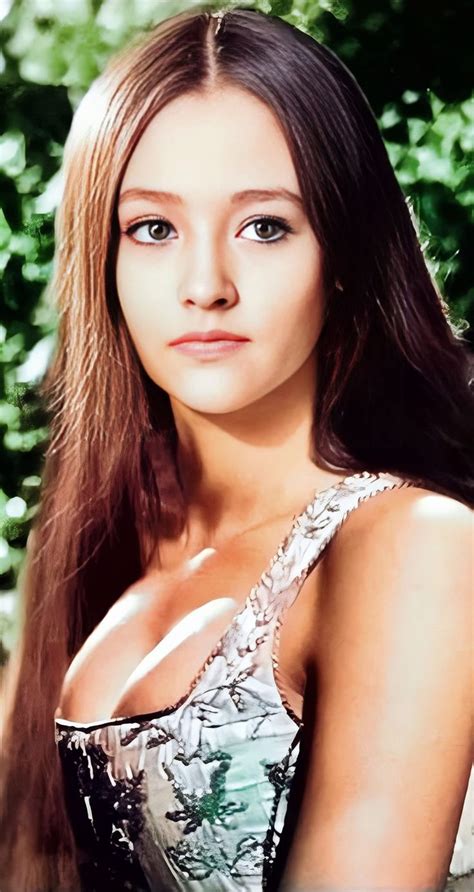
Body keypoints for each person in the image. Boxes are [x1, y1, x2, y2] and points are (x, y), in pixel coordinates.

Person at [0, 5, 472, 891]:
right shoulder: (86, 548)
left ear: (342, 255)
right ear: (101, 259)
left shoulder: (414, 543)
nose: (205, 286)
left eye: (265, 227)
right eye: (153, 228)